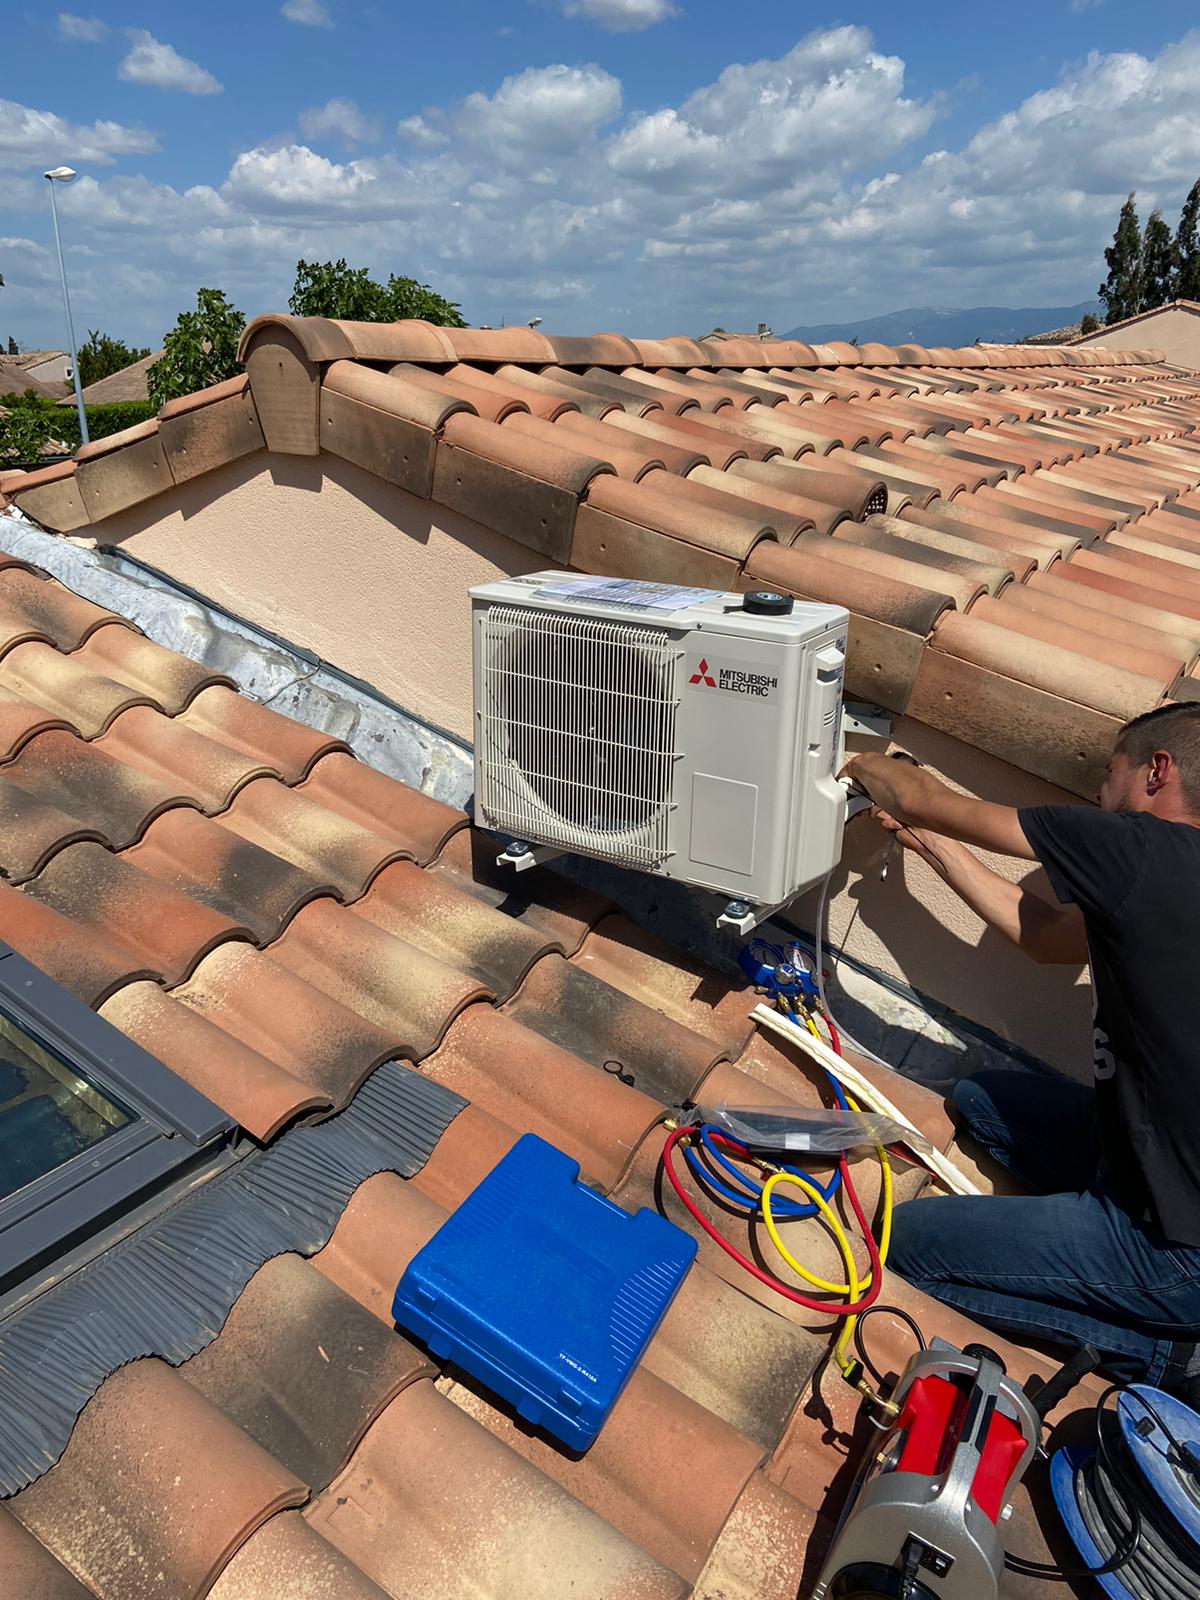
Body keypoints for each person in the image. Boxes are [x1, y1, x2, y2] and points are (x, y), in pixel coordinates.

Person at [841, 702, 1200, 1398]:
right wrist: (928, 843)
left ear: (1157, 771)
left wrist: (852, 760)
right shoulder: (1162, 884)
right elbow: (1043, 937)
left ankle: (1158, 1355)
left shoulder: (1141, 850)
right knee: (981, 1101)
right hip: (1147, 1165)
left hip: (1176, 1246)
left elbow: (921, 793)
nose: (1099, 789)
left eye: (1110, 770)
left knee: (902, 1241)